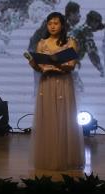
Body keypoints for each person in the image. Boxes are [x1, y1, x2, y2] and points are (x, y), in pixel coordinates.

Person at [29, 12, 84, 171]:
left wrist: (57, 64)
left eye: (56, 23)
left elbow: (71, 65)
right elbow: (40, 67)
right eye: (50, 23)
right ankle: (48, 157)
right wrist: (34, 63)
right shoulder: (42, 43)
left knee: (63, 118)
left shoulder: (70, 42)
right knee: (47, 119)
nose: (52, 26)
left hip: (63, 82)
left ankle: (65, 158)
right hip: (47, 83)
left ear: (62, 25)